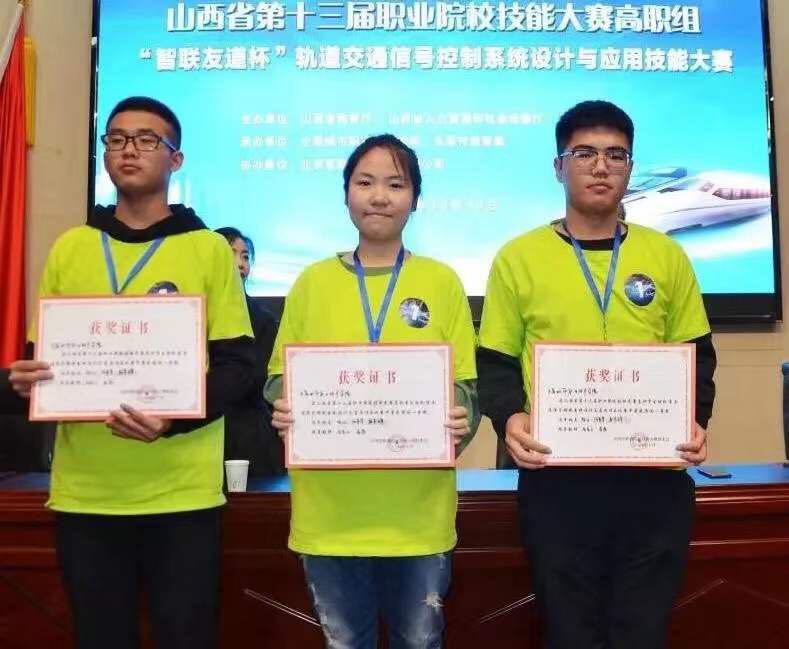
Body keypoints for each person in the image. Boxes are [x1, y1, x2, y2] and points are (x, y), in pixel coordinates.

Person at [1, 96, 258, 649]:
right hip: (86, 494)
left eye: (146, 140)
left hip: (181, 495)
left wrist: (171, 420)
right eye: (116, 139)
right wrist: (26, 382)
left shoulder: (208, 250)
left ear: (175, 159)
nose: (128, 150)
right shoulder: (72, 247)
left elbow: (238, 368)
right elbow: (42, 359)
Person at [477, 100, 716, 649]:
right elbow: (495, 363)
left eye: (616, 154)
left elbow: (697, 354)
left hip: (653, 485)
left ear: (631, 167)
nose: (601, 166)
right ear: (559, 167)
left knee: (643, 632)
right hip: (559, 487)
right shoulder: (518, 258)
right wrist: (511, 417)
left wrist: (695, 420)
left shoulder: (666, 255)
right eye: (584, 153)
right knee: (569, 632)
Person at [267, 134, 479, 648]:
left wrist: (460, 418)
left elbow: (466, 389)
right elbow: (277, 379)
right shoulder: (312, 283)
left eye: (395, 184)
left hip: (418, 517)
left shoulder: (442, 282)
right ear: (346, 194)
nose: (379, 197)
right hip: (329, 515)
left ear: (415, 199)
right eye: (365, 183)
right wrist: (284, 406)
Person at [214, 226, 283, 476]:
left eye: (245, 256)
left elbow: (261, 379)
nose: (241, 263)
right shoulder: (194, 311)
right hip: (203, 429)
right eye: (231, 253)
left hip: (248, 431)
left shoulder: (263, 319)